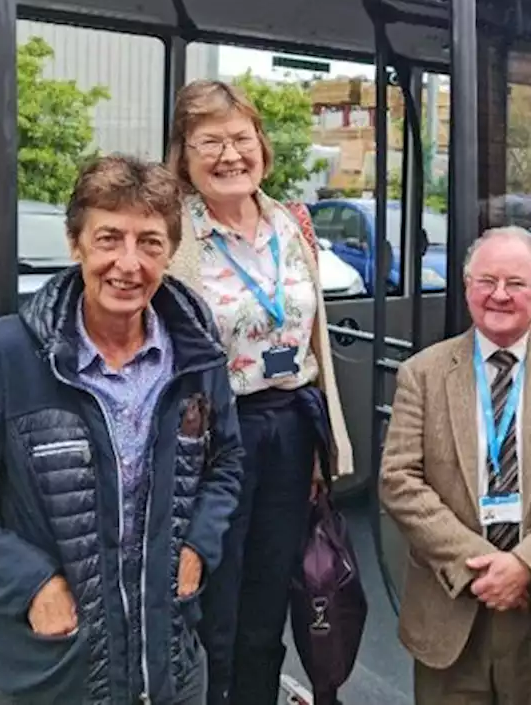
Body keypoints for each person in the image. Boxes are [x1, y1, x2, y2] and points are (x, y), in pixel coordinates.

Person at [0, 155, 243, 705]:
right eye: (109, 238)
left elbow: (226, 463)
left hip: (169, 674)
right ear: (75, 243)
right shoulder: (3, 357)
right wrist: (30, 583)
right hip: (44, 676)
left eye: (150, 243)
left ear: (171, 252)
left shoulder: (196, 355)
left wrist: (199, 544)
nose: (128, 264)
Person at [164, 79, 355, 705]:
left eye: (240, 138)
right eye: (208, 142)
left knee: (273, 590)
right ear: (184, 156)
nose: (229, 155)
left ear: (262, 146)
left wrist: (322, 450)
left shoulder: (289, 221)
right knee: (213, 594)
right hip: (214, 432)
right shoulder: (173, 233)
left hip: (291, 424)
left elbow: (312, 336)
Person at [379, 226, 531, 705]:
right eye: (486, 281)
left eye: (515, 283)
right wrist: (480, 567)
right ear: (467, 287)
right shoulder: (422, 374)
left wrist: (525, 565)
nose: (500, 295)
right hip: (452, 603)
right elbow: (399, 480)